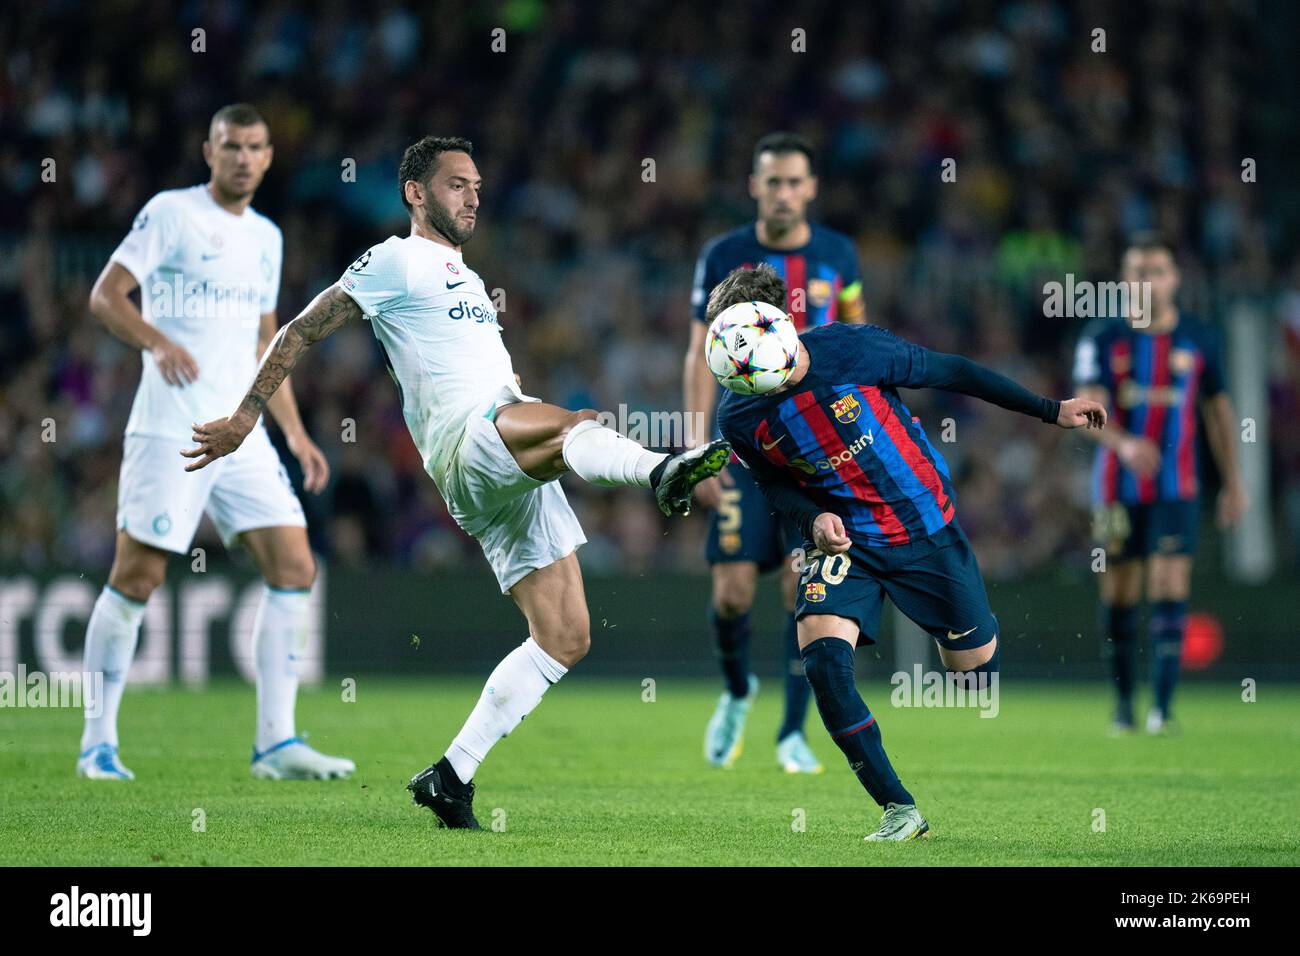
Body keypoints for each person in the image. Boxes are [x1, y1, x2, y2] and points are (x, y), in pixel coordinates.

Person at [182, 135, 730, 829]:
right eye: (455, 184)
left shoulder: (467, 278)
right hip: (471, 443)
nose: (472, 196)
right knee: (573, 425)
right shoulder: (394, 259)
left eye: (476, 185)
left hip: (506, 464)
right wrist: (244, 416)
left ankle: (451, 774)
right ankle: (661, 470)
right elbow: (297, 330)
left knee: (564, 636)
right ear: (416, 193)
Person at [710, 264, 1106, 840]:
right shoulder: (737, 412)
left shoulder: (853, 348)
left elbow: (953, 372)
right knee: (822, 658)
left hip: (924, 525)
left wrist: (1050, 410)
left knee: (973, 671)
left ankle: (969, 636)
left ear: (779, 328)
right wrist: (813, 517)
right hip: (846, 540)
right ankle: (900, 809)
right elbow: (772, 483)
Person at [79, 104, 352, 781]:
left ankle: (276, 744)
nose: (242, 157)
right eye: (230, 145)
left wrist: (292, 430)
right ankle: (97, 744)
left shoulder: (266, 236)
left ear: (267, 157)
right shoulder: (171, 213)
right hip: (173, 424)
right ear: (209, 150)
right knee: (137, 577)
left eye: (255, 147)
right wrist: (158, 340)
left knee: (295, 564)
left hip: (244, 430)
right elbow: (106, 296)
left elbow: (268, 342)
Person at [682, 133, 866, 773]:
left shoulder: (838, 256)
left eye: (795, 182)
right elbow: (699, 353)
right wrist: (697, 445)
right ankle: (737, 692)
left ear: (811, 188)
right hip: (742, 446)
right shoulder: (724, 255)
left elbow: (855, 341)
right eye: (773, 181)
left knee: (801, 587)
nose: (783, 192)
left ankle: (793, 732)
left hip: (815, 456)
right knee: (732, 590)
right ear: (754, 186)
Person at [1073, 234, 1247, 734]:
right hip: (1112, 487)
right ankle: (1125, 705)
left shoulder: (1199, 338)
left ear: (1173, 279)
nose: (1146, 280)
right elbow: (1086, 407)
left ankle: (1163, 710)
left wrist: (1234, 481)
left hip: (1179, 486)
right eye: (1137, 271)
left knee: (1170, 585)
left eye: (1156, 270)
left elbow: (1218, 411)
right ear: (1124, 280)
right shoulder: (1101, 337)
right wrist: (1125, 445)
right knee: (1120, 593)